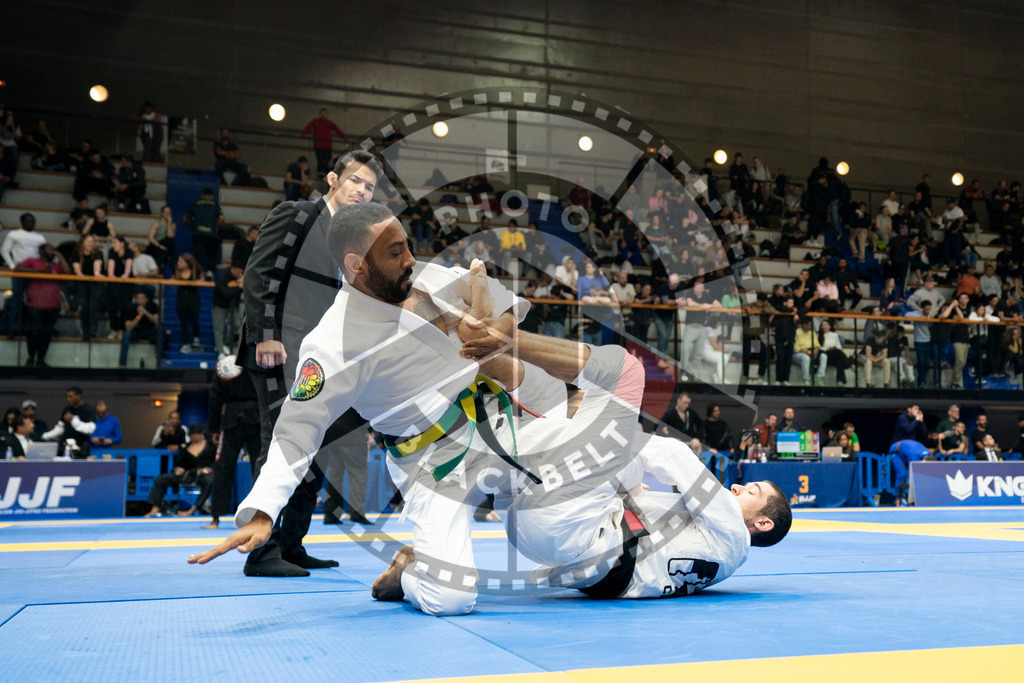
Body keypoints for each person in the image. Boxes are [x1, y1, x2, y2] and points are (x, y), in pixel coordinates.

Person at [233, 150, 381, 577]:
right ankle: (261, 550)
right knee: (281, 441)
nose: (362, 190)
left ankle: (291, 543)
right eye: (355, 180)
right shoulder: (296, 214)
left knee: (319, 445)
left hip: (323, 355)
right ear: (333, 179)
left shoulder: (354, 240)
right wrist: (266, 334)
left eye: (369, 187)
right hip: (281, 345)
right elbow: (258, 274)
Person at [205, 354, 262, 529]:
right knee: (260, 468)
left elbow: (215, 398)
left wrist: (214, 428)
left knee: (223, 468)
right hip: (258, 420)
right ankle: (261, 515)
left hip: (231, 421)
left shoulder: (224, 364)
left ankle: (215, 518)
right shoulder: (259, 360)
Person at [14, 243, 69, 367]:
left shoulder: (56, 265)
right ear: (41, 251)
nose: (52, 251)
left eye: (53, 249)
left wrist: (59, 255)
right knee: (34, 332)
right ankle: (31, 357)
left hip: (53, 305)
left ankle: (41, 359)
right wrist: (39, 271)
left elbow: (67, 272)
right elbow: (18, 268)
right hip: (35, 304)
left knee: (47, 333)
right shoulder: (32, 261)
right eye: (49, 249)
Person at [144, 424, 216, 517]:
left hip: (206, 474)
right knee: (161, 479)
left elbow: (217, 461)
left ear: (202, 433)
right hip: (190, 474)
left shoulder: (211, 446)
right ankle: (155, 508)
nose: (195, 435)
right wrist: (177, 469)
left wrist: (210, 468)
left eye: (198, 433)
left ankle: (193, 509)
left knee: (209, 481)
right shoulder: (185, 448)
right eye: (193, 433)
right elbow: (179, 463)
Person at [2, 213, 48, 337]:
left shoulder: (40, 237)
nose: (30, 223)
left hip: (35, 273)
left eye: (32, 221)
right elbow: (4, 250)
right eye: (27, 221)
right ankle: (13, 328)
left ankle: (28, 327)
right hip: (20, 271)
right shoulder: (14, 234)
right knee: (17, 299)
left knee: (33, 300)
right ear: (22, 222)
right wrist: (12, 266)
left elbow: (44, 254)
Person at [41, 387, 96, 458]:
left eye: (71, 397)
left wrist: (73, 420)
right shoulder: (67, 409)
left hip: (81, 449)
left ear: (79, 396)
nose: (68, 399)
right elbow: (60, 428)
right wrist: (46, 436)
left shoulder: (88, 409)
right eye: (67, 397)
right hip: (65, 447)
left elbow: (90, 429)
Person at [184, 188, 224, 275]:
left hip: (198, 233)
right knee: (212, 254)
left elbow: (186, 218)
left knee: (199, 255)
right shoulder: (216, 206)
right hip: (212, 234)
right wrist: (216, 228)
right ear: (212, 196)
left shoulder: (195, 205)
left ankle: (199, 273)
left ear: (202, 195)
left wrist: (192, 227)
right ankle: (210, 272)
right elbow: (221, 219)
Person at [102, 235, 134, 339]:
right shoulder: (112, 252)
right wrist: (111, 275)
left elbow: (128, 267)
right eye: (112, 243)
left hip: (126, 284)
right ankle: (114, 329)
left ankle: (121, 330)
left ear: (122, 243)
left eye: (115, 243)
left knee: (124, 307)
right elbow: (111, 267)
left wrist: (125, 275)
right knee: (112, 308)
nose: (113, 245)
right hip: (114, 283)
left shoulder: (129, 252)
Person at [119, 289, 161, 367]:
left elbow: (156, 321)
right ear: (135, 299)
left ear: (146, 299)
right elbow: (129, 326)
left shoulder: (153, 306)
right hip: (136, 331)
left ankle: (159, 360)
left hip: (149, 330)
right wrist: (139, 316)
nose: (140, 300)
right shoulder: (131, 307)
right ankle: (122, 364)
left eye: (142, 298)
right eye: (138, 298)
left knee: (159, 331)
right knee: (126, 334)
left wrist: (145, 312)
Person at [298, 109, 346, 175]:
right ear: (319, 114)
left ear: (326, 115)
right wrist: (302, 134)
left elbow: (337, 130)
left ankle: (323, 173)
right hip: (319, 145)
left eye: (324, 113)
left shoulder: (329, 123)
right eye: (322, 113)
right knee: (320, 160)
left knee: (327, 160)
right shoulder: (315, 121)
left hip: (327, 146)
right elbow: (308, 127)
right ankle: (321, 173)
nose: (323, 115)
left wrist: (343, 137)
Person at [213, 261, 244, 359]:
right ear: (233, 269)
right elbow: (225, 293)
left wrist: (239, 285)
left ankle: (224, 343)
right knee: (219, 328)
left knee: (237, 325)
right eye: (238, 272)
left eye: (241, 272)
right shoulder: (222, 277)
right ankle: (220, 351)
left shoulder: (240, 278)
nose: (240, 274)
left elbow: (242, 291)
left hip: (232, 306)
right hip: (219, 305)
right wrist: (238, 286)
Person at [145, 205, 176, 272]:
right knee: (164, 251)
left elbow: (170, 236)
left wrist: (169, 223)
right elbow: (150, 238)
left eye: (169, 212)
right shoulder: (156, 223)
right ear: (162, 213)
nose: (167, 214)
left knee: (170, 242)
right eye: (165, 212)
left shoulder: (173, 225)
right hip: (156, 243)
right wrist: (159, 246)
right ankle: (157, 267)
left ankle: (157, 267)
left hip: (165, 243)